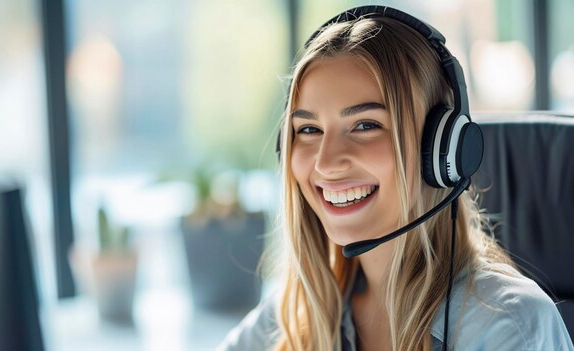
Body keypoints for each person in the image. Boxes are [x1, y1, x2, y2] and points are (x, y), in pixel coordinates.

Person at [218, 6, 574, 351]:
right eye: (309, 129)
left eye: (365, 125)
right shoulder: (301, 311)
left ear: (439, 150)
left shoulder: (509, 326)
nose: (326, 163)